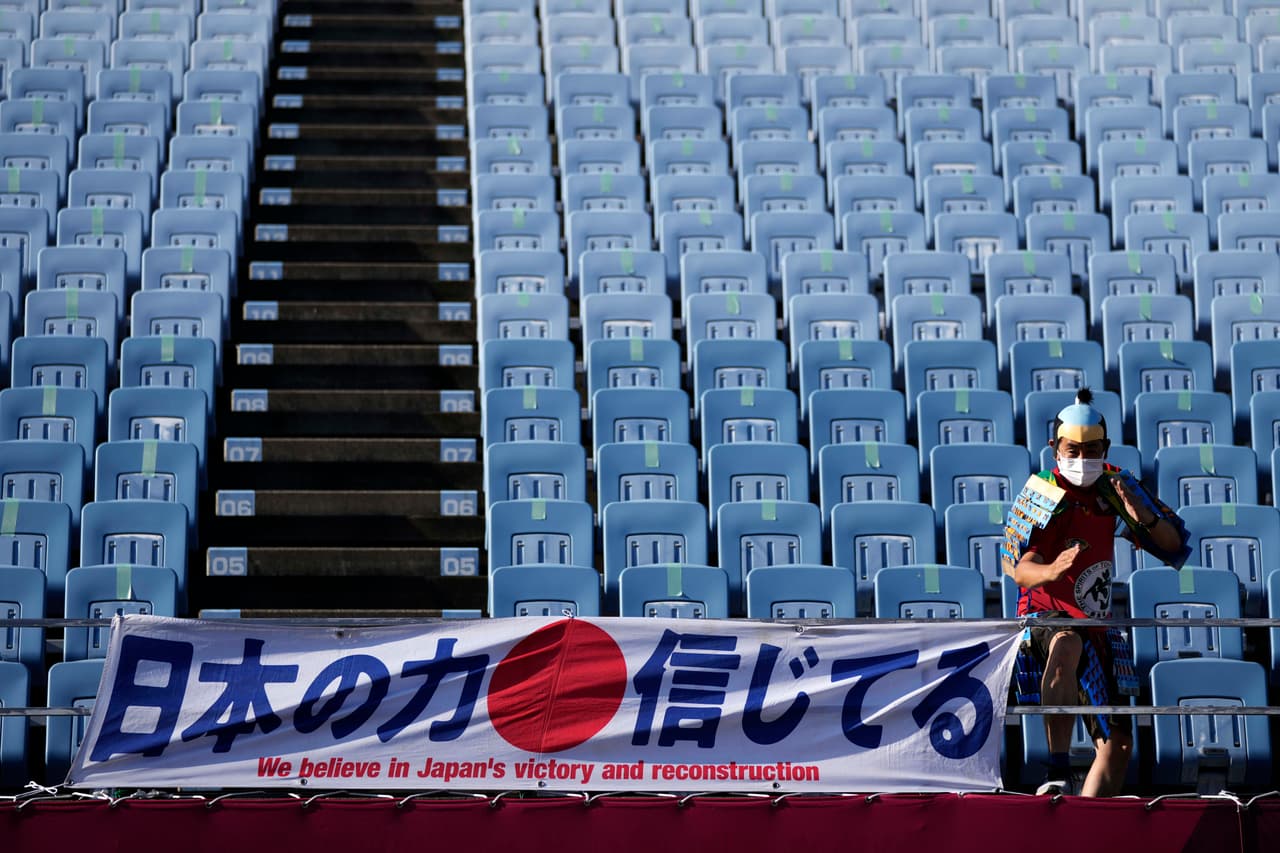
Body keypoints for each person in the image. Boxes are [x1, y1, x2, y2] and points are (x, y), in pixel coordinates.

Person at [1004, 389, 1190, 797]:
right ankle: (1055, 769)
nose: (1083, 458)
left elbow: (1173, 544)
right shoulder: (1040, 492)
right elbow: (1020, 570)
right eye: (1074, 449)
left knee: (1119, 744)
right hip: (1046, 616)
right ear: (1054, 447)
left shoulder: (1114, 485)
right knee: (1066, 644)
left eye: (1093, 449)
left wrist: (1142, 516)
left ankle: (1086, 820)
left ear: (1105, 447)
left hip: (1097, 623)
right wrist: (1052, 569)